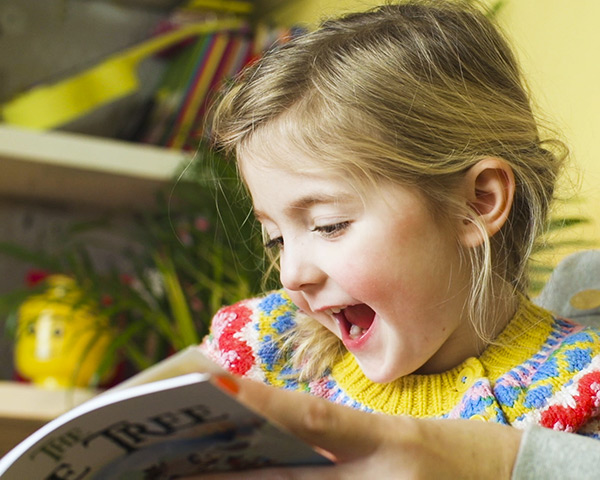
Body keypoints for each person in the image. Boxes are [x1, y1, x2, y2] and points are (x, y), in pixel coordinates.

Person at [193, 0, 600, 477]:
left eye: (329, 225)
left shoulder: (576, 396)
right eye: (276, 239)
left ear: (478, 203)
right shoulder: (262, 352)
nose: (291, 274)